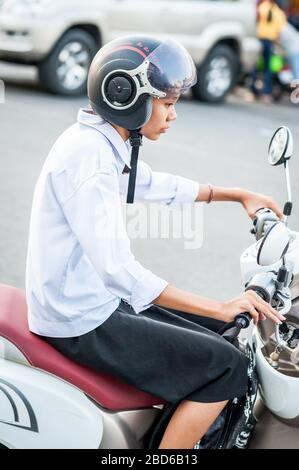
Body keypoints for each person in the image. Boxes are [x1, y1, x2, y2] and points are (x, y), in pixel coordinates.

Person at [25, 35, 285, 449]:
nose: (173, 115)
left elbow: (150, 183)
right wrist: (220, 304)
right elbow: (120, 272)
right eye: (166, 104)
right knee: (226, 365)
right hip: (80, 319)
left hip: (91, 301)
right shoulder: (89, 160)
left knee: (226, 332)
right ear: (126, 97)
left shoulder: (102, 142)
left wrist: (235, 194)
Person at [255, 0, 287, 103]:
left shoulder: (261, 7)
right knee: (267, 68)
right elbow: (280, 32)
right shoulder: (279, 13)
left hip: (259, 39)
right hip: (269, 42)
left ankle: (253, 92)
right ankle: (266, 94)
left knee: (255, 66)